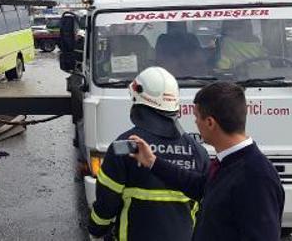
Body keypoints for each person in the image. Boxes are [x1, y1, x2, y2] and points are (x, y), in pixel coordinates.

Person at [129, 81, 285, 241]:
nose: (195, 122)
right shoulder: (229, 162)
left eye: (196, 117)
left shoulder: (256, 177)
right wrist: (152, 161)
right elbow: (199, 186)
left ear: (210, 122)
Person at [88, 67, 208, 241]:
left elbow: (106, 204)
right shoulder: (198, 152)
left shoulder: (124, 147)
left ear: (138, 100)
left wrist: (96, 229)